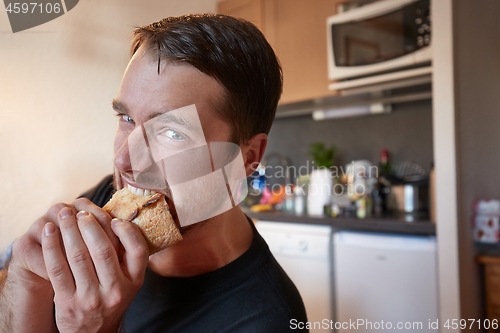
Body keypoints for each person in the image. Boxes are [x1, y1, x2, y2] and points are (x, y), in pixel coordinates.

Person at [0, 14, 308, 332]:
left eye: (172, 133)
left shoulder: (266, 321)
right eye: (127, 118)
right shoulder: (108, 198)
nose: (122, 162)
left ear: (248, 158)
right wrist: (25, 281)